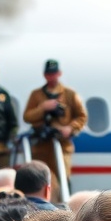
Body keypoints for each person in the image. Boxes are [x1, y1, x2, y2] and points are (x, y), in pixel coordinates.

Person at [23, 60, 87, 200]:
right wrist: (43, 108)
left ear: (59, 73)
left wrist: (70, 128)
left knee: (63, 179)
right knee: (40, 178)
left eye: (53, 73)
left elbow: (82, 116)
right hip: (41, 146)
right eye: (48, 74)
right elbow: (27, 116)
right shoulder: (36, 95)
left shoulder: (69, 94)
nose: (51, 77)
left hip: (61, 145)